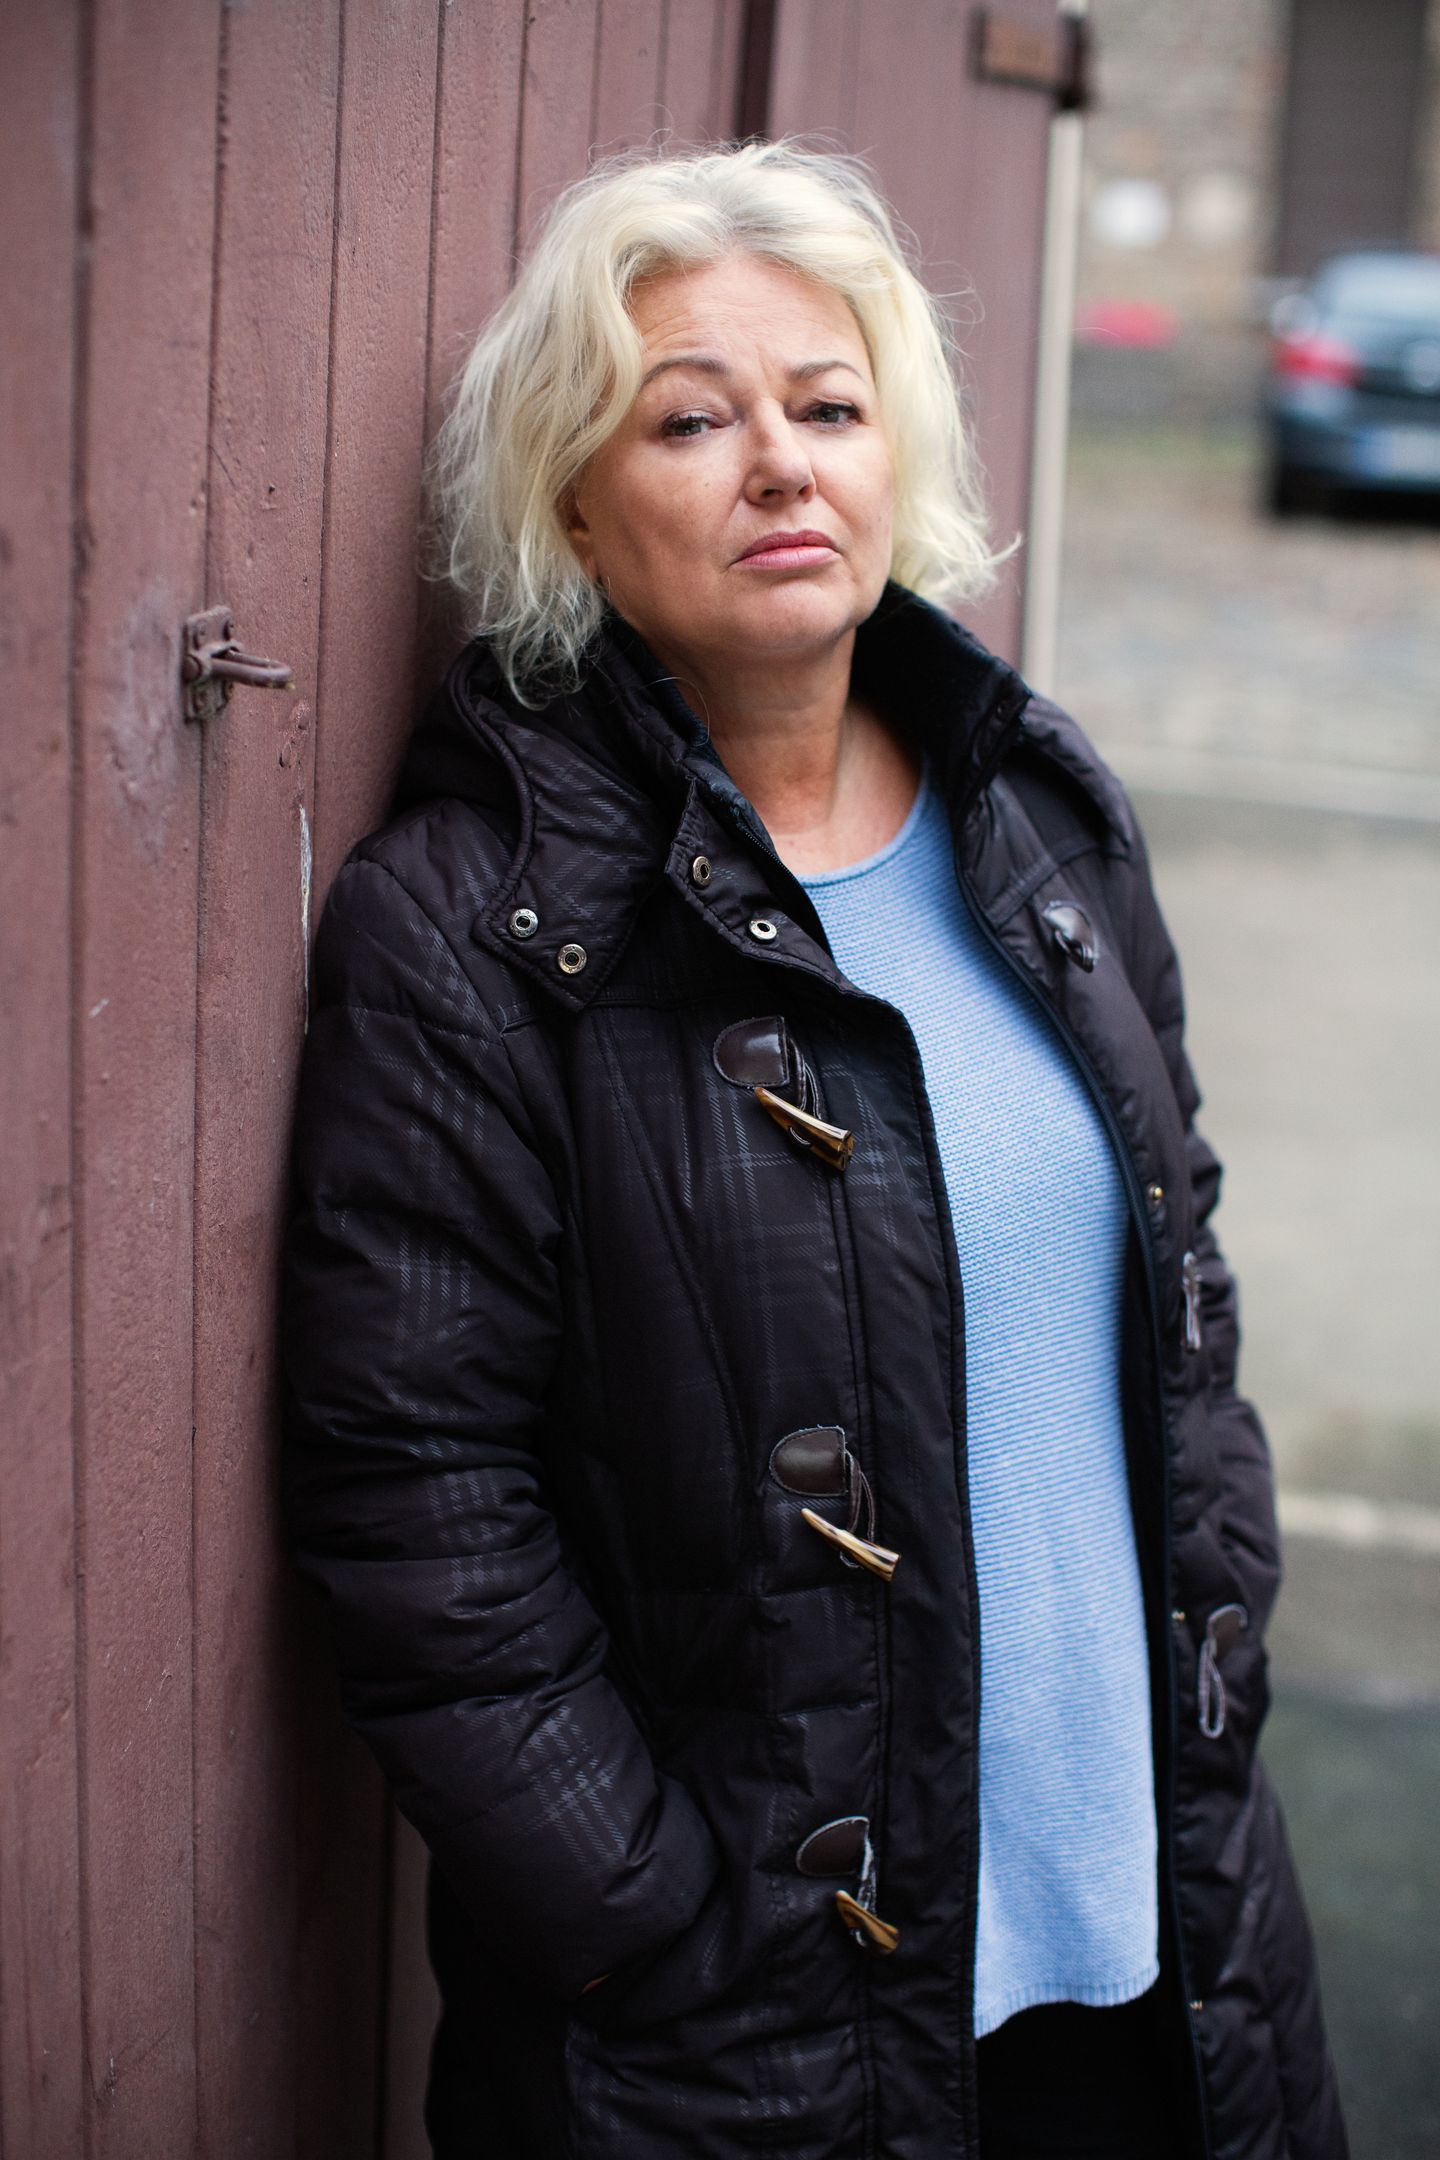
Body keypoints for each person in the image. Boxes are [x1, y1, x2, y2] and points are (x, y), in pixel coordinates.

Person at [278, 142, 1347, 2160]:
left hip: (1168, 1934)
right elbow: (416, 1490)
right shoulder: (479, 929)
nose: (780, 463)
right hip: (756, 2038)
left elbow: (1182, 1287)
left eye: (830, 407)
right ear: (574, 507)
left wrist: (1225, 1649)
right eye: (692, 420)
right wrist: (646, 1923)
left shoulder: (1040, 822)